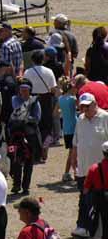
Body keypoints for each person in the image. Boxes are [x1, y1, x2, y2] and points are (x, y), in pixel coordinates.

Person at [73, 91, 108, 237]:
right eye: (82, 107)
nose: (85, 109)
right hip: (83, 167)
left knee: (99, 201)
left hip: (101, 170)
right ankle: (82, 226)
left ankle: (95, 228)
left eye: (87, 106)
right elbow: (76, 142)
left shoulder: (105, 117)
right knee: (84, 198)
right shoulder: (80, 119)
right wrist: (73, 160)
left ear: (95, 104)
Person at [7, 80, 41, 195]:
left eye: (26, 90)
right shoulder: (15, 99)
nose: (24, 92)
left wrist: (27, 120)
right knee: (15, 160)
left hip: (30, 135)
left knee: (29, 162)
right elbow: (16, 111)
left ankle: (26, 187)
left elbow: (37, 118)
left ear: (30, 90)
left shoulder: (35, 102)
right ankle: (16, 185)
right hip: (16, 136)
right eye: (22, 90)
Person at [24, 50, 58, 161]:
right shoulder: (49, 71)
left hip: (33, 100)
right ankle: (45, 149)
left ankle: (36, 152)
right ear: (43, 59)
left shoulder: (27, 72)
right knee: (47, 127)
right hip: (46, 99)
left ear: (32, 60)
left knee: (34, 126)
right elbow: (53, 89)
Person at [59, 77, 78, 181]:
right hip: (74, 126)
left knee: (71, 152)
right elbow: (81, 109)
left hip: (66, 128)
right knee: (74, 152)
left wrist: (64, 112)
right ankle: (75, 173)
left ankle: (68, 173)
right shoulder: (73, 99)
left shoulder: (60, 99)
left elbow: (55, 113)